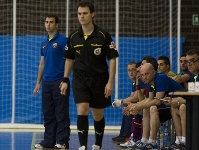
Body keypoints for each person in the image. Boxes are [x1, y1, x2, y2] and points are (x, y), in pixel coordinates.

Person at [60, 1, 119, 150]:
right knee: (82, 109)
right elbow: (69, 59)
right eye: (79, 13)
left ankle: (98, 144)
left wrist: (110, 82)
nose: (81, 16)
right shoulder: (73, 36)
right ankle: (82, 146)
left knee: (97, 114)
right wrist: (65, 79)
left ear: (92, 14)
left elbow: (112, 59)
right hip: (80, 79)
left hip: (100, 79)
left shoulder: (103, 35)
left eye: (85, 13)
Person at [125, 63, 185, 149]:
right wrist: (135, 105)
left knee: (152, 107)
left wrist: (138, 106)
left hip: (181, 103)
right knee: (146, 107)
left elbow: (157, 101)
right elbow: (149, 99)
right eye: (142, 75)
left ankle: (152, 142)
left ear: (153, 72)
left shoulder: (161, 78)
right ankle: (144, 140)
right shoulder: (150, 82)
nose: (144, 77)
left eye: (146, 74)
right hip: (169, 104)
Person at [33, 14, 70, 149]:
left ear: (57, 24)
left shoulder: (63, 40)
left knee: (61, 113)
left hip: (59, 81)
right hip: (46, 83)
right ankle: (49, 140)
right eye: (46, 22)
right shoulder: (43, 43)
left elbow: (69, 60)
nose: (48, 24)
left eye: (51, 22)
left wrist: (65, 79)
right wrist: (38, 82)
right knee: (48, 113)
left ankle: (62, 140)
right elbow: (42, 64)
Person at [112, 62, 137, 143]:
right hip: (139, 103)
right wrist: (124, 102)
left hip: (144, 104)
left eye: (133, 70)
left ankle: (126, 135)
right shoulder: (134, 82)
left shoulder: (139, 81)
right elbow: (132, 96)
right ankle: (122, 134)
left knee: (130, 107)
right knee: (127, 106)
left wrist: (121, 102)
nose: (131, 72)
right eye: (129, 70)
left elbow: (135, 97)